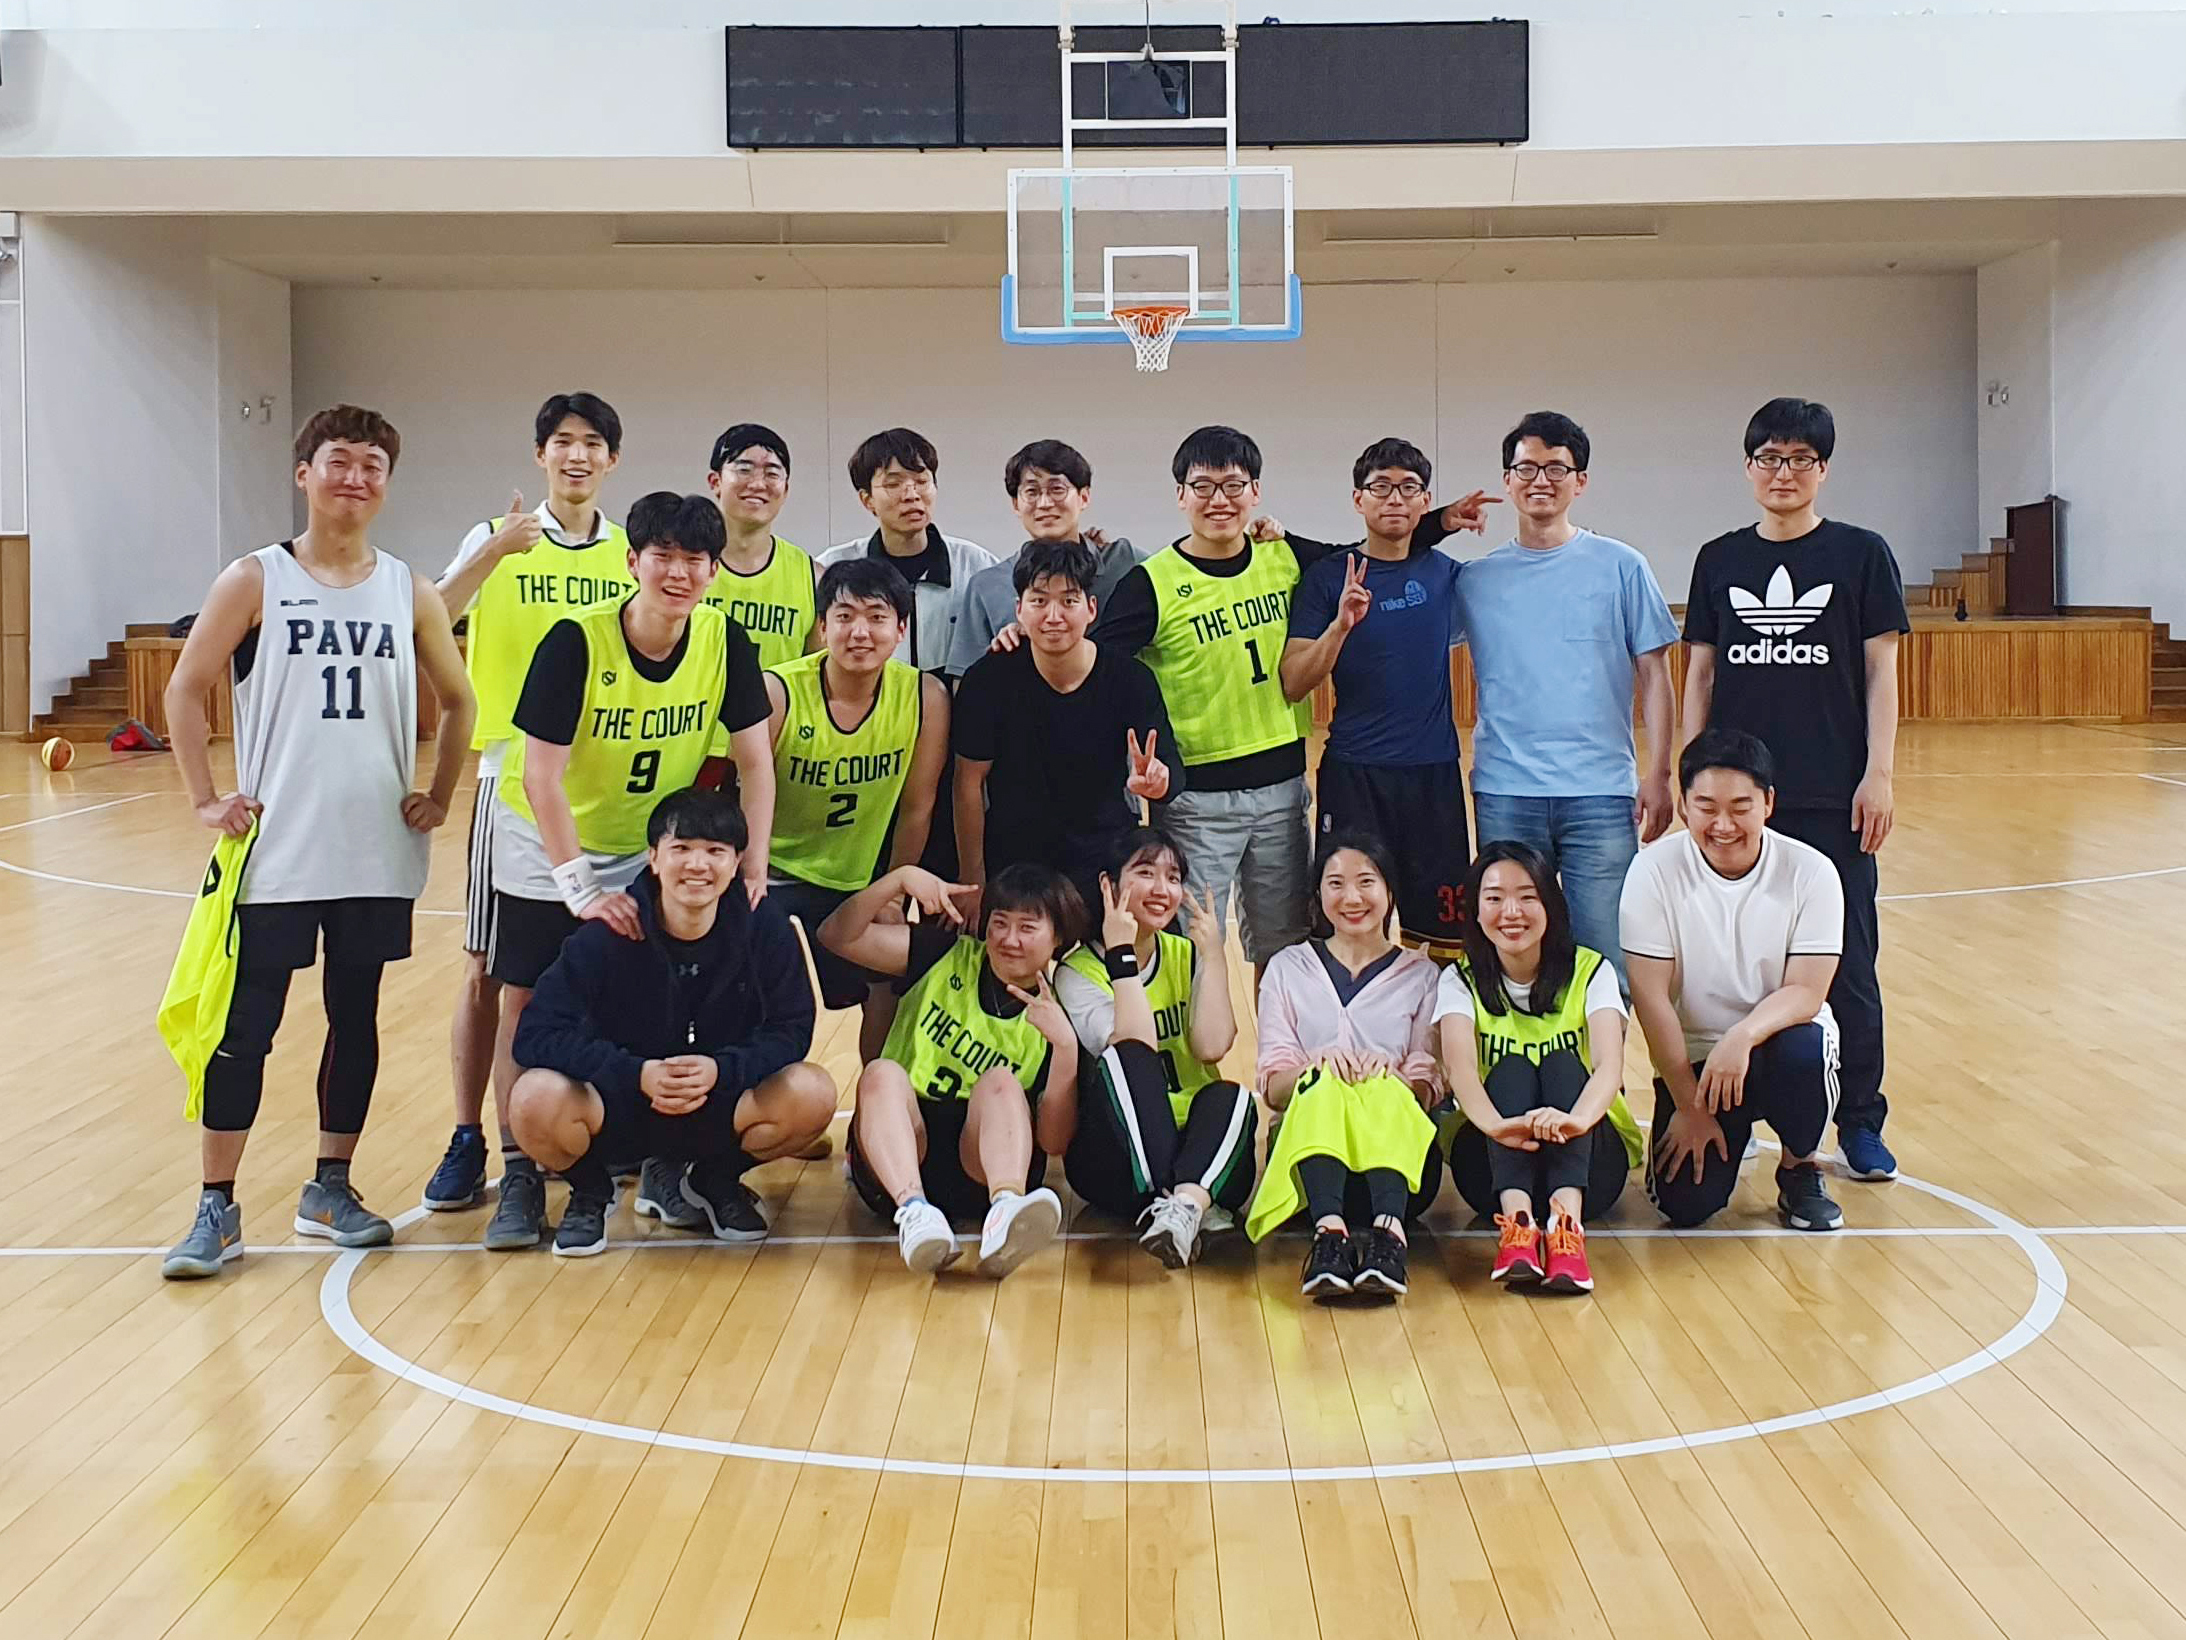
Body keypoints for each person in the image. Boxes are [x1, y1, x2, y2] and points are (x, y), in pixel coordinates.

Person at [161, 405, 476, 1279]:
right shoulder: (254, 578)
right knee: (245, 1027)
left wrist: (439, 794)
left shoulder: (408, 589)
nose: (356, 478)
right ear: (304, 473)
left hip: (374, 849)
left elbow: (461, 701)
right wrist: (204, 799)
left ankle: (330, 1187)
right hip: (279, 849)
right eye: (339, 461)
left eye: (373, 465)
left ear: (387, 483)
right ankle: (216, 1205)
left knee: (355, 1018)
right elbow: (185, 688)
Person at [483, 491, 776, 1250]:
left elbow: (755, 761)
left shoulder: (724, 639)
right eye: (663, 557)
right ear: (632, 561)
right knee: (525, 995)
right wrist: (578, 887)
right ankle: (519, 1168)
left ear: (714, 570)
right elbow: (541, 776)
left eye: (694, 560)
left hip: (652, 845)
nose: (678, 573)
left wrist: (753, 862)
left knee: (663, 992)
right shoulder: (575, 642)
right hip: (548, 837)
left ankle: (662, 1159)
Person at [1682, 397, 1908, 1183]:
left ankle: (1861, 1122)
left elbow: (1881, 672)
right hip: (1732, 805)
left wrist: (1879, 772)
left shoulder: (1861, 555)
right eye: (1770, 458)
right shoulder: (1719, 558)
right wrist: (1690, 778)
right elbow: (1700, 672)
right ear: (1749, 468)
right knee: (1728, 963)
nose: (1785, 473)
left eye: (1801, 459)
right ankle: (1736, 1109)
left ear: (1824, 469)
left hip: (1830, 794)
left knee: (1849, 966)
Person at [424, 391, 631, 1219]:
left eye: (592, 443)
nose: (577, 455)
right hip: (511, 779)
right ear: (540, 454)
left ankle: (592, 1127)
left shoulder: (629, 552)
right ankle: (469, 1135)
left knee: (607, 964)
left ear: (612, 459)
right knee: (487, 970)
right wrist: (493, 553)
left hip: (605, 781)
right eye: (562, 442)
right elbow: (433, 617)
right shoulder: (498, 537)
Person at [505, 788, 837, 1256]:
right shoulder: (609, 932)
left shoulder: (765, 927)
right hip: (619, 1104)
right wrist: (635, 1073)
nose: (697, 865)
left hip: (718, 1101)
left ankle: (713, 1179)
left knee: (813, 1091)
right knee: (532, 1097)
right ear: (654, 859)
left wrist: (722, 1069)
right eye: (681, 848)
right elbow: (535, 1035)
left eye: (715, 851)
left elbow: (793, 1027)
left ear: (737, 862)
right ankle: (591, 1192)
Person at [1087, 426, 1329, 982]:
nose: (1219, 500)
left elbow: (1369, 556)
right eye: (1203, 486)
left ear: (1256, 491)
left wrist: (1440, 521)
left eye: (1234, 485)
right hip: (1196, 800)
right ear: (1180, 495)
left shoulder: (1285, 557)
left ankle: (1276, 1044)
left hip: (1282, 791)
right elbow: (1097, 664)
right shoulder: (1152, 582)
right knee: (1187, 947)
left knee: (1286, 950)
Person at [1451, 412, 1681, 993]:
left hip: (1600, 793)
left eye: (1556, 469)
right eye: (1526, 468)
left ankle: (1602, 1057)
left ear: (1581, 481)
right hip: (1507, 791)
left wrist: (1659, 774)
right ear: (1507, 481)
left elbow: (1656, 675)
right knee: (1512, 955)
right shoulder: (1475, 580)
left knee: (1606, 962)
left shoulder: (1622, 567)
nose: (1541, 481)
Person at [1622, 728, 1846, 1233]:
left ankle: (1799, 1167)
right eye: (1706, 807)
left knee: (1805, 1051)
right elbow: (1651, 998)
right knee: (1685, 1206)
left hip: (1775, 1040)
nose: (1723, 825)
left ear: (1768, 803)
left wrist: (1742, 1036)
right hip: (1694, 1060)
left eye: (1740, 807)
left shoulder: (1812, 872)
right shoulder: (1651, 871)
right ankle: (1728, 1127)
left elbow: (1807, 992)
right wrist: (1689, 1105)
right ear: (1684, 806)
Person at [820, 863, 1083, 1277]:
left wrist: (1066, 1050)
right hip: (900, 1160)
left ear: (1059, 937)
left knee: (1000, 1082)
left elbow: (1053, 1142)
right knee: (881, 1073)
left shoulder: (1062, 1011)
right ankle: (915, 1214)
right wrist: (897, 879)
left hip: (984, 1172)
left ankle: (1005, 1211)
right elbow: (836, 936)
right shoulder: (940, 952)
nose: (1009, 939)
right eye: (1000, 923)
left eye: (1027, 928)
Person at [1279, 438, 1471, 952]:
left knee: (1443, 938)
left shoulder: (1448, 576)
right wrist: (1340, 627)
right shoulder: (1327, 578)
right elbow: (1294, 681)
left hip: (1434, 777)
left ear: (1425, 500)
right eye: (1380, 487)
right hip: (1355, 777)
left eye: (1409, 488)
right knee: (1351, 930)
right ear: (1357, 499)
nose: (1395, 499)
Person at [1432, 842, 1643, 1295]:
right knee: (1510, 1069)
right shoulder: (1458, 980)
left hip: (1590, 1164)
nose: (1511, 912)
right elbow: (1460, 1071)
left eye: (1527, 896)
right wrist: (1498, 1127)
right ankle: (1518, 1228)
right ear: (1476, 910)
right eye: (1494, 898)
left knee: (1563, 1065)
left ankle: (1567, 1229)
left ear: (1550, 903)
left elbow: (1609, 1066)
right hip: (1491, 1169)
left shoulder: (1591, 971)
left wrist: (1577, 1120)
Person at [764, 559, 952, 1059]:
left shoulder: (925, 696)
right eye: (844, 616)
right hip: (775, 874)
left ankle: (877, 1093)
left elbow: (918, 806)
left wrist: (893, 890)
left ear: (901, 629)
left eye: (877, 616)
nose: (860, 632)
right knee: (772, 992)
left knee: (890, 977)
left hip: (858, 879)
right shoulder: (778, 692)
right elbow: (748, 796)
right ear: (822, 627)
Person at [1246, 834, 1443, 1300]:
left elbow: (1430, 1086)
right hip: (1308, 1171)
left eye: (1366, 883)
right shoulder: (1286, 967)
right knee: (1324, 1079)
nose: (1351, 898)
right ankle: (1327, 1236)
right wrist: (1315, 1069)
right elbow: (1273, 1087)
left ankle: (1390, 1236)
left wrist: (1392, 1076)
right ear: (1318, 895)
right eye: (1335, 884)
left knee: (1381, 1083)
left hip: (1401, 1174)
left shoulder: (1423, 975)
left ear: (1390, 891)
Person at [1055, 828, 1254, 1268]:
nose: (1163, 889)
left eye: (1173, 877)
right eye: (1145, 873)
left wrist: (1213, 956)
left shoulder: (1184, 952)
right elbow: (1137, 1047)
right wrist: (1121, 953)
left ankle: (1183, 1206)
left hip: (1195, 1147)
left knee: (1230, 1095)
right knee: (1129, 1056)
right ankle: (1187, 1201)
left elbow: (1212, 1046)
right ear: (1108, 884)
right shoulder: (1077, 972)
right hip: (1116, 1162)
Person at [953, 538, 1176, 918]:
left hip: (1103, 853)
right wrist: (972, 878)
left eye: (1069, 601)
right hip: (1015, 859)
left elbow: (1169, 770)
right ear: (1019, 610)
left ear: (1091, 609)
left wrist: (1158, 782)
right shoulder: (987, 679)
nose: (1053, 615)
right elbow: (967, 783)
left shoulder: (1130, 678)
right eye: (1039, 601)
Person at [947, 438, 1145, 678]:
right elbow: (963, 680)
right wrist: (998, 655)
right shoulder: (987, 586)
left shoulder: (1127, 563)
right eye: (1031, 492)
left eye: (1057, 489)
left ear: (1084, 496)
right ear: (1016, 504)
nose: (1044, 503)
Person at [817, 427, 997, 676]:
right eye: (893, 484)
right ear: (867, 500)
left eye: (922, 482)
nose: (911, 495)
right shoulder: (833, 567)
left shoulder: (977, 565)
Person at [704, 422, 817, 670]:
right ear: (715, 481)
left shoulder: (813, 578)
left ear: (785, 489)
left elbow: (816, 675)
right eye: (744, 470)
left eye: (772, 473)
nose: (757, 484)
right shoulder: (680, 567)